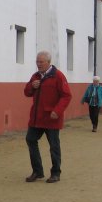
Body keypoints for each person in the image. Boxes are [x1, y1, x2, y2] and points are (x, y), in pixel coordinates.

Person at [24, 51, 72, 183]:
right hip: (36, 118)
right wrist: (32, 86)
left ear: (48, 62)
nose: (38, 64)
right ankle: (37, 171)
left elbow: (66, 96)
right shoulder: (35, 76)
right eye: (37, 62)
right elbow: (26, 92)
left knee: (54, 146)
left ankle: (56, 172)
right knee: (30, 140)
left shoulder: (58, 76)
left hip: (52, 118)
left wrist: (58, 110)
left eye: (41, 62)